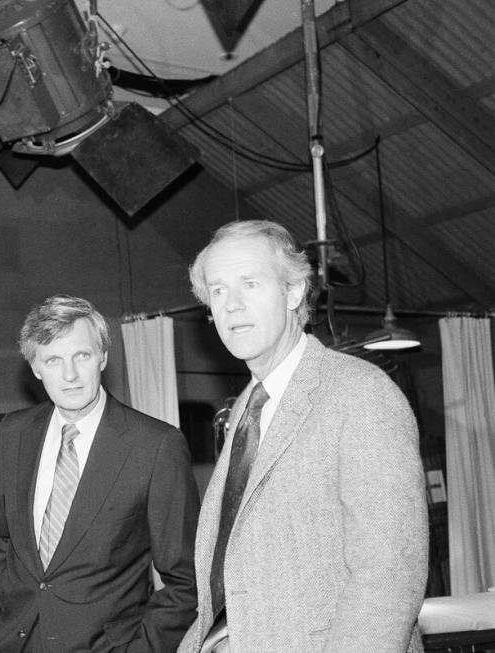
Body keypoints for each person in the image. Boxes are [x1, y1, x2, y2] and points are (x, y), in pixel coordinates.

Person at [178, 220, 428, 652]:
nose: (231, 305)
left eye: (250, 284)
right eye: (218, 291)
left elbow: (388, 575)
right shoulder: (246, 408)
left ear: (294, 292)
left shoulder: (359, 394)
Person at [0, 295, 199, 653]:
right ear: (35, 367)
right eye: (53, 360)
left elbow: (186, 581)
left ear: (103, 357)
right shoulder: (14, 432)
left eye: (82, 356)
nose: (70, 375)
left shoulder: (156, 446)